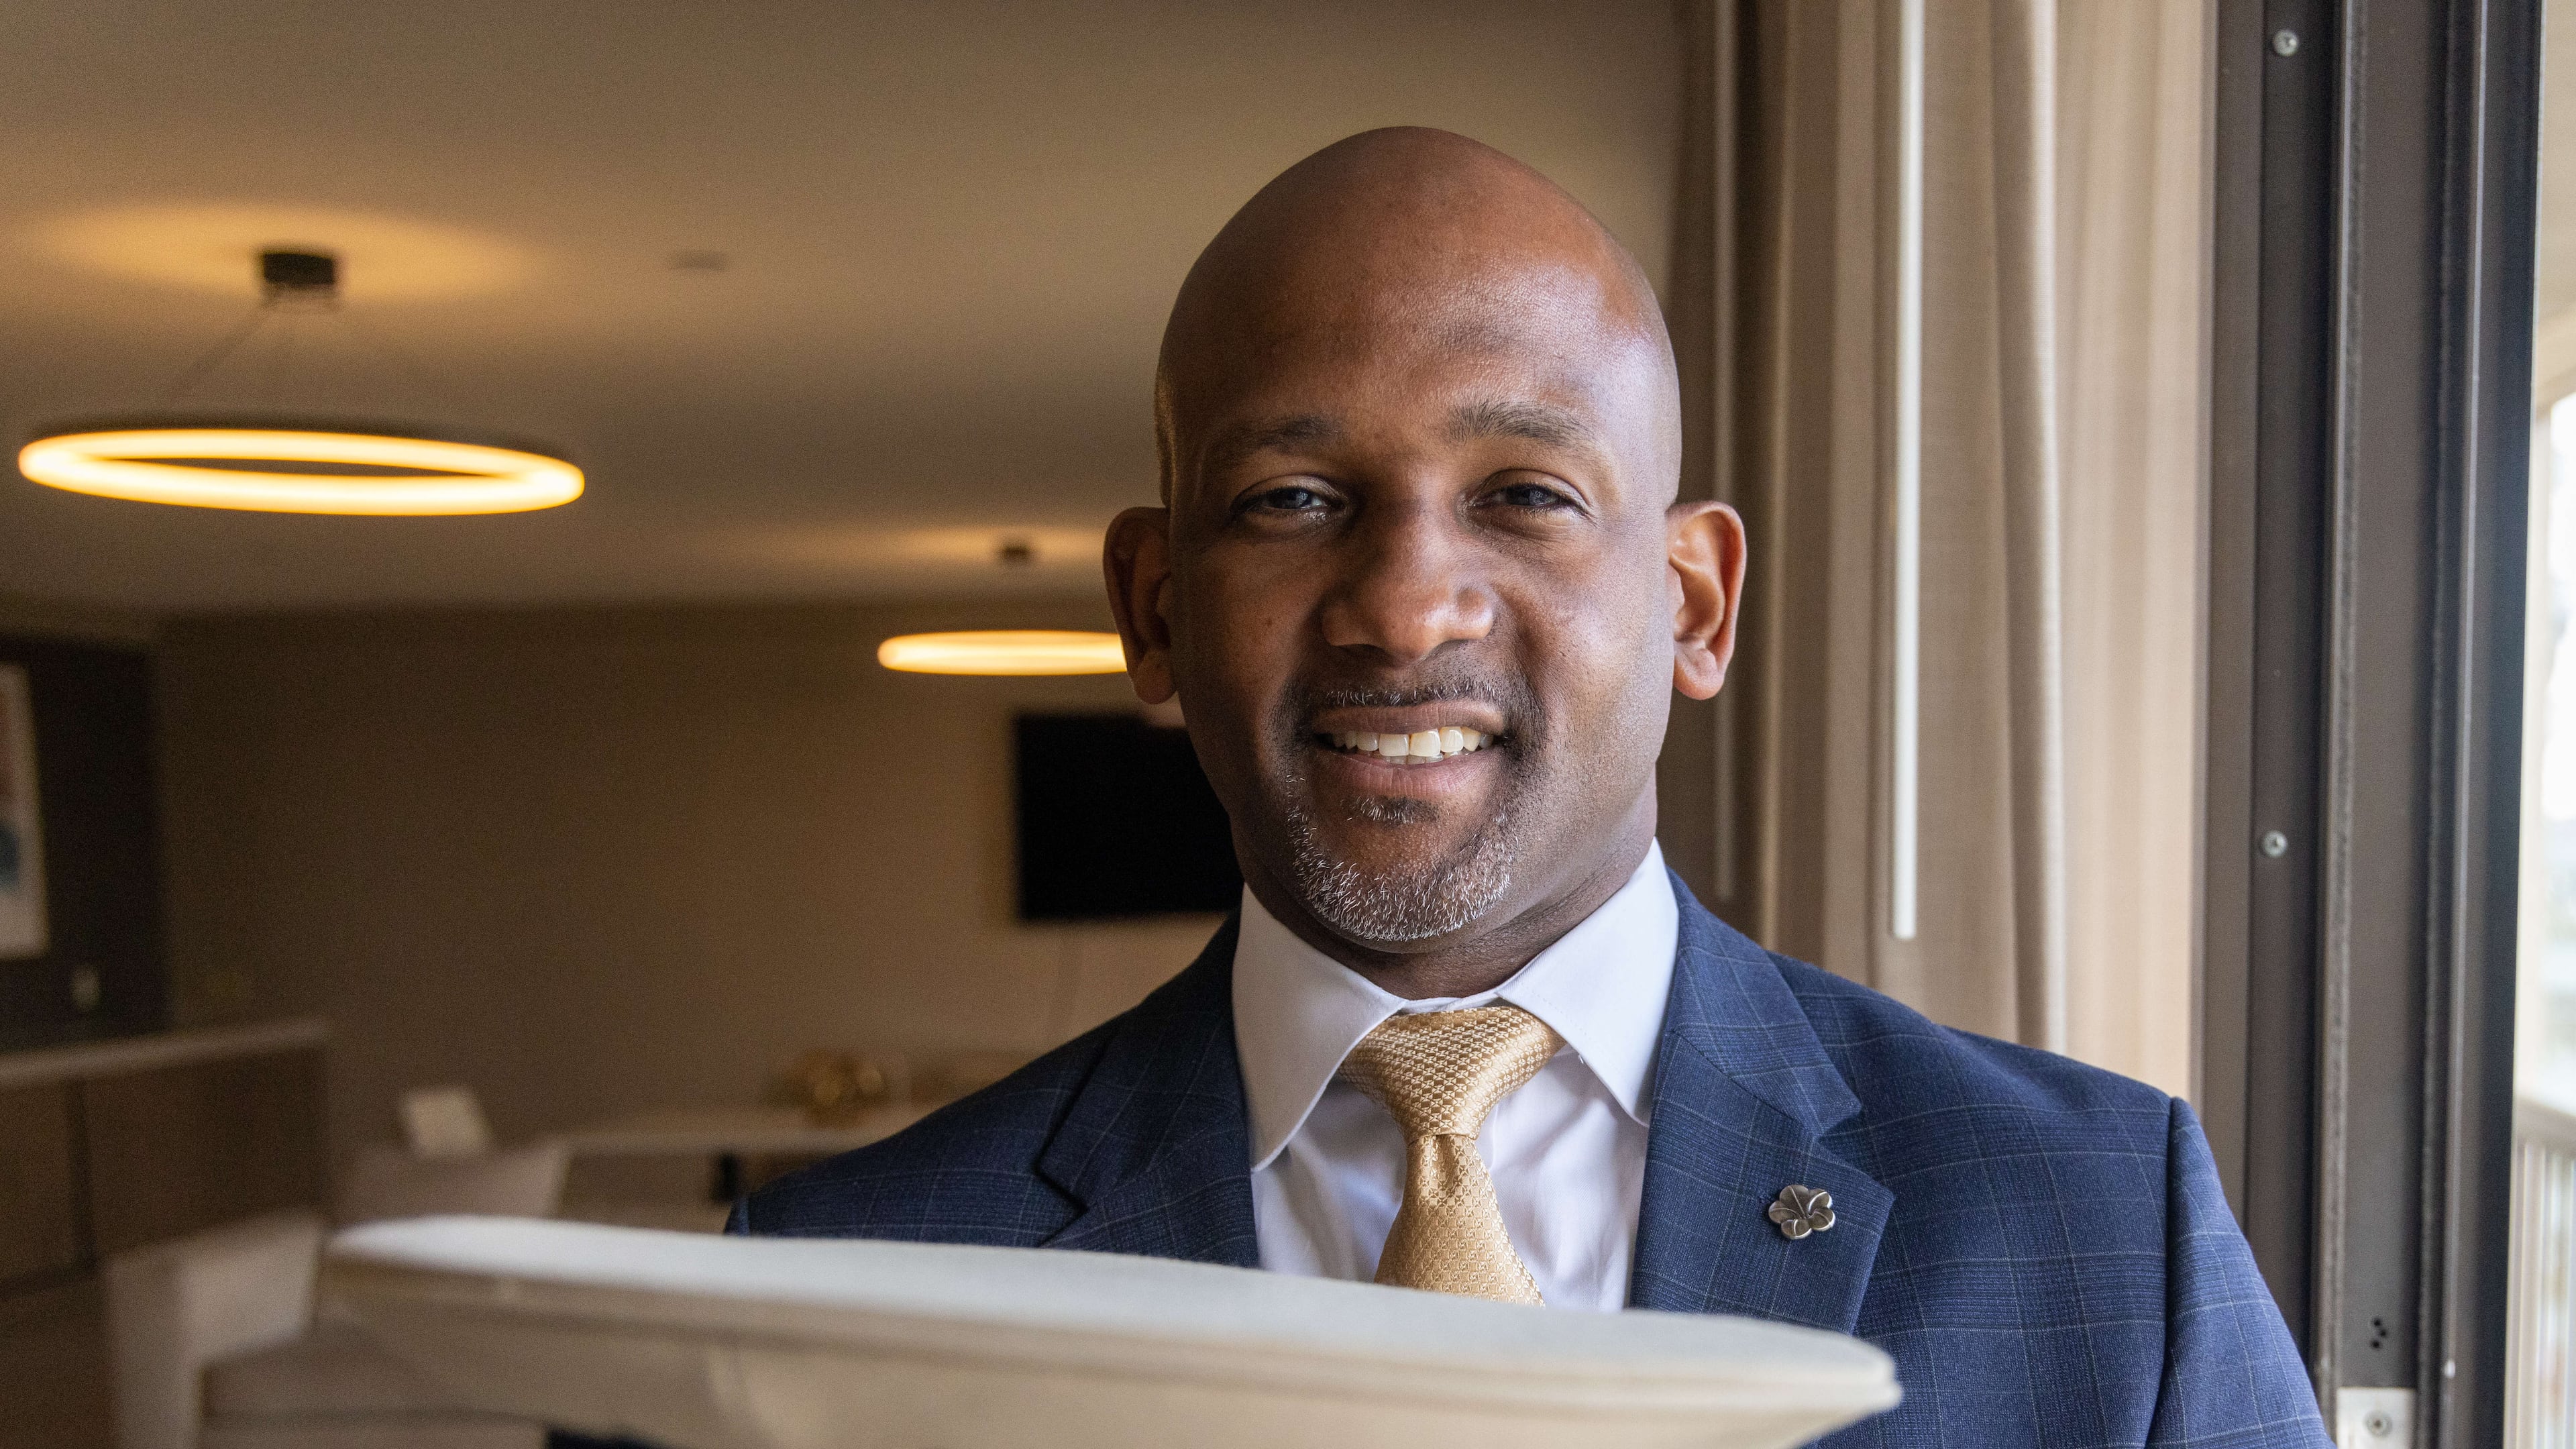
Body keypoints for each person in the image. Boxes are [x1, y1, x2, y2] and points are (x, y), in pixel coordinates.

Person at [735, 128, 2328, 1444]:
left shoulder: (2106, 1225)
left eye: (1525, 494)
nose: (1406, 606)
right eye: (1293, 499)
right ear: (1155, 610)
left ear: (1695, 604)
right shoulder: (834, 1295)